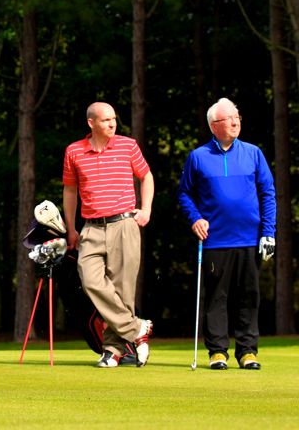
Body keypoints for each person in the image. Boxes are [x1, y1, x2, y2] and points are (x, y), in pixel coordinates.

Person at [177, 97, 276, 371]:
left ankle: (247, 352)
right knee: (216, 297)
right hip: (215, 239)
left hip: (249, 238)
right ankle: (218, 352)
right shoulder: (198, 157)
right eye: (228, 119)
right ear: (214, 125)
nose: (235, 122)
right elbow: (185, 194)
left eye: (237, 117)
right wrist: (195, 218)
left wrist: (269, 232)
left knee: (249, 295)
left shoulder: (254, 153)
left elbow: (268, 193)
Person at [62, 102, 155, 368]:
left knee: (123, 290)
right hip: (91, 226)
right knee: (89, 279)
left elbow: (146, 176)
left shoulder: (128, 145)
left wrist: (146, 209)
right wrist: (71, 228)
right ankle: (137, 328)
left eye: (114, 119)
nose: (112, 124)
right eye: (106, 120)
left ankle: (113, 350)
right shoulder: (74, 151)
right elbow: (70, 191)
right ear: (91, 123)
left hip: (124, 224)